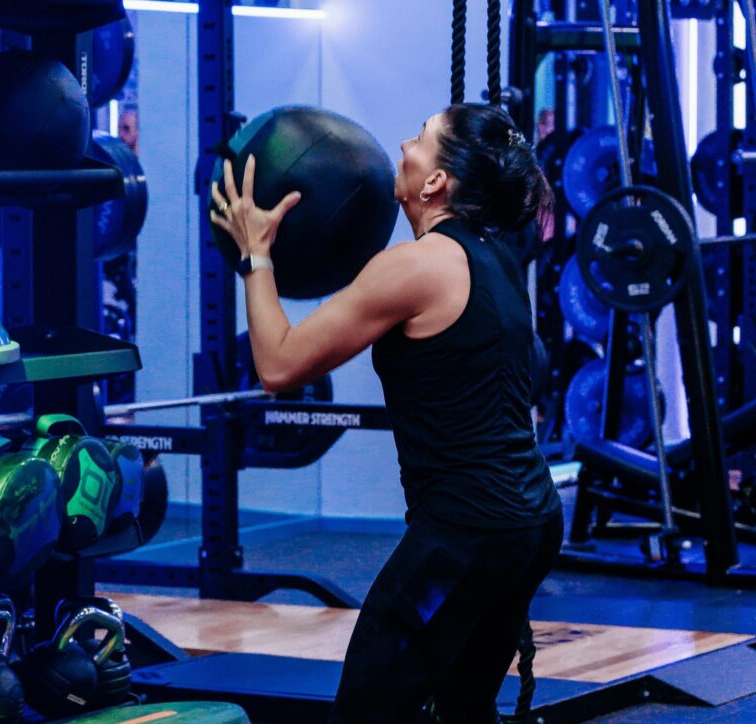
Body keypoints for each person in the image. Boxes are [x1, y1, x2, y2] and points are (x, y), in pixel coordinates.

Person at [210, 103, 564, 723]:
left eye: (421, 139)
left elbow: (279, 366)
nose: (402, 146)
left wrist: (255, 255)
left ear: (436, 182)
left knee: (368, 710)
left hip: (466, 535)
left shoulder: (414, 267)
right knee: (464, 710)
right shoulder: (495, 257)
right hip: (529, 523)